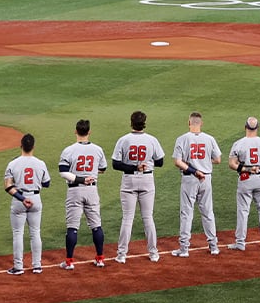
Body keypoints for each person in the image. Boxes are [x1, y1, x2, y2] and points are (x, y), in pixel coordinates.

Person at [112, 111, 166, 263]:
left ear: (131, 122)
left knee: (127, 219)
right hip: (147, 179)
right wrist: (146, 164)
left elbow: (116, 164)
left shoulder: (123, 140)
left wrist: (135, 166)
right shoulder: (151, 140)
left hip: (129, 179)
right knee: (148, 218)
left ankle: (122, 255)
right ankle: (153, 253)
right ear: (144, 123)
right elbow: (160, 162)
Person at [58, 119, 109, 270]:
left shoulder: (69, 150)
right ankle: (100, 259)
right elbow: (103, 169)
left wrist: (80, 177)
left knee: (72, 227)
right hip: (92, 190)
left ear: (76, 131)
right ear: (89, 132)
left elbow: (63, 172)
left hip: (75, 190)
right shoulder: (98, 149)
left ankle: (69, 262)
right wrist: (90, 173)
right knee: (96, 225)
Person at [172, 112, 222, 257]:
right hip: (206, 179)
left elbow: (177, 162)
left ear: (189, 122)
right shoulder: (210, 139)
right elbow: (218, 159)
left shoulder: (182, 139)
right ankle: (214, 246)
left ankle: (184, 249)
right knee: (208, 212)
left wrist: (193, 170)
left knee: (187, 213)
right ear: (201, 123)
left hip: (190, 179)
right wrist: (206, 162)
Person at [4, 133, 52, 275]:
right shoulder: (40, 163)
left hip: (19, 200)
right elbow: (47, 183)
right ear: (33, 147)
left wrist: (21, 198)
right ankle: (37, 266)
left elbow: (7, 186)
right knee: (35, 233)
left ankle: (18, 267)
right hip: (36, 199)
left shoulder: (13, 163)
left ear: (21, 146)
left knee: (18, 233)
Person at [228, 117, 260, 250]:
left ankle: (240, 243)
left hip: (245, 179)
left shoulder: (238, 144)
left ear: (245, 127)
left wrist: (246, 167)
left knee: (243, 211)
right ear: (258, 128)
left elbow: (232, 164)